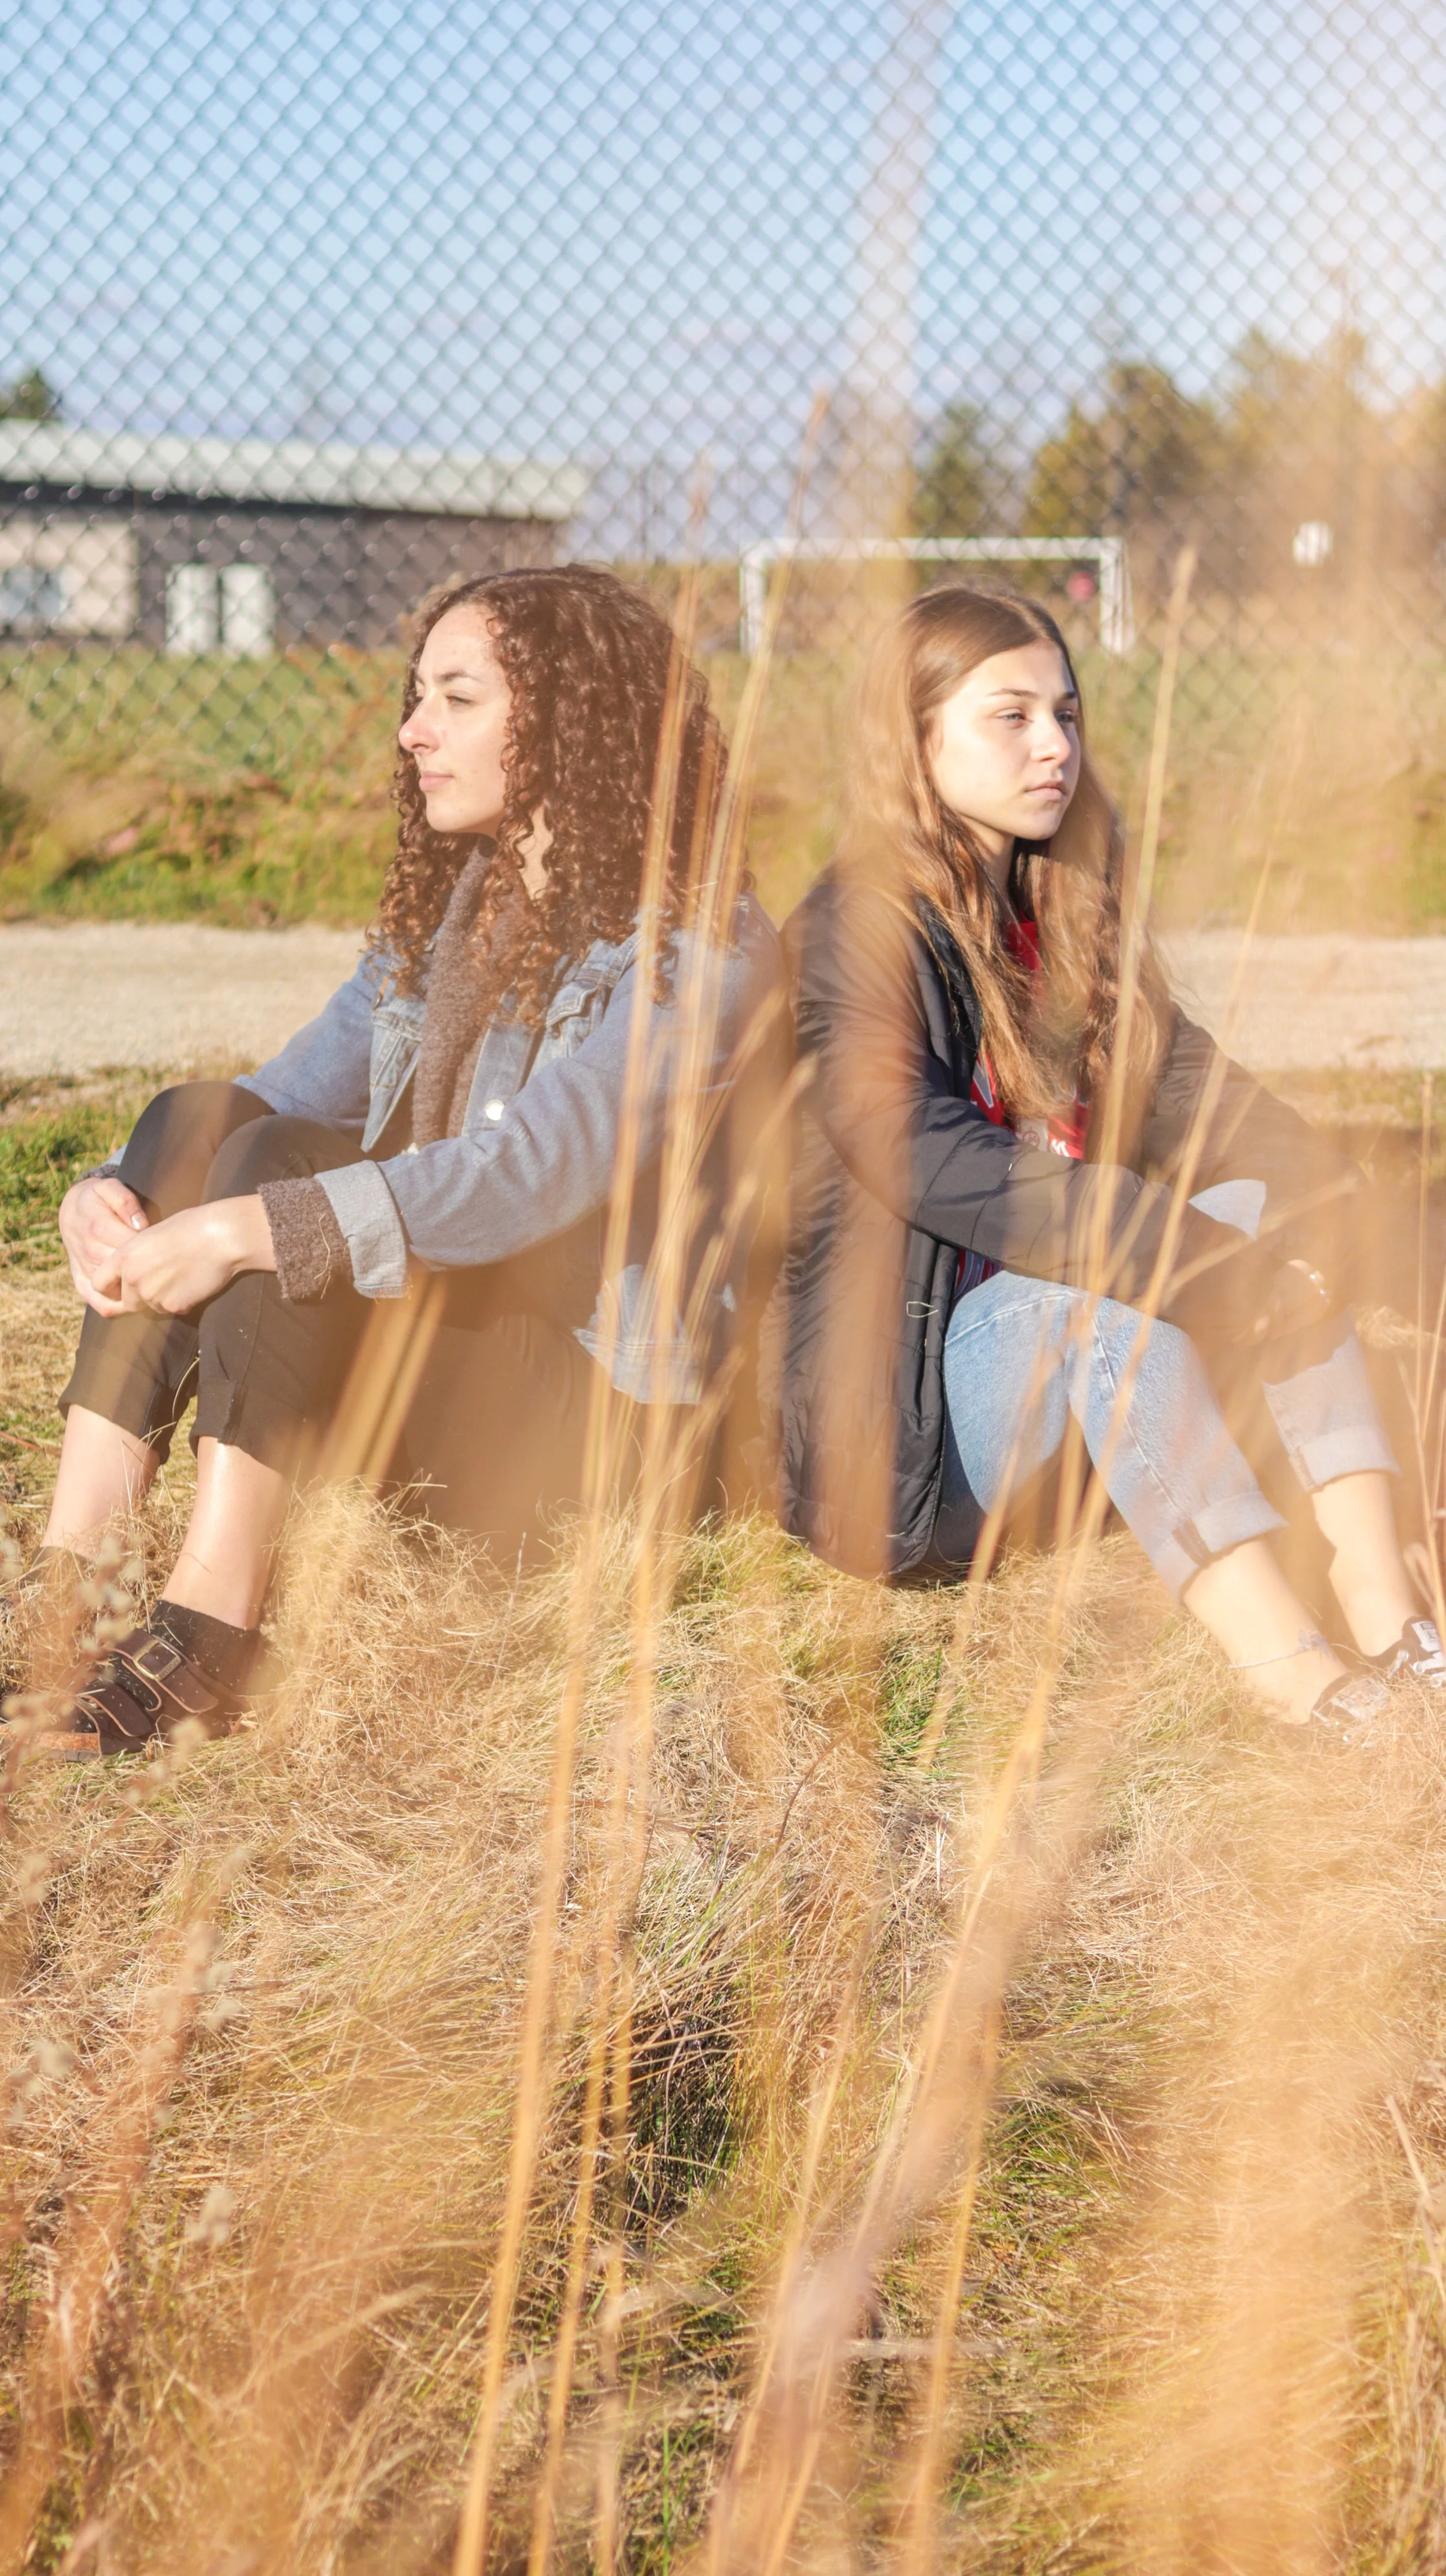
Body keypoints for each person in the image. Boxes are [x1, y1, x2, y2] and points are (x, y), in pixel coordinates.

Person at [16, 565, 781, 1756]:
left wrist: (248, 1226)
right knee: (209, 1117)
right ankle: (73, 1587)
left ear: (574, 723)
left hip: (592, 1418)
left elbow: (529, 1173)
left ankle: (212, 1629)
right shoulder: (455, 913)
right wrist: (108, 1191)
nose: (414, 731)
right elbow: (276, 1095)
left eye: (457, 700)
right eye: (417, 697)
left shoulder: (702, 947)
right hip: (444, 1353)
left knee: (285, 1182)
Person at [769, 584, 1442, 1743]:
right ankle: (1288, 1669)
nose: (1055, 746)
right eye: (1012, 716)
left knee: (1274, 1213)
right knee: (1103, 1293)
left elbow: (1211, 1103)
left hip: (1084, 1417)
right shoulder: (850, 932)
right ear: (914, 739)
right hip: (924, 1438)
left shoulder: (1064, 904)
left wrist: (1360, 1237)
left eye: (1067, 715)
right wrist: (1199, 1261)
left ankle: (1389, 1610)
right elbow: (928, 1155)